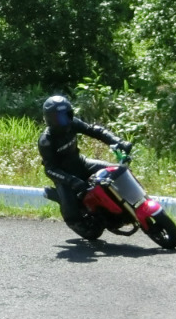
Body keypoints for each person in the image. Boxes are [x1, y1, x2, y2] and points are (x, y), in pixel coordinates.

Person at [38, 94, 132, 227]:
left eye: (67, 115)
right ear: (50, 119)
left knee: (118, 172)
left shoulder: (73, 123)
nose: (65, 120)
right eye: (60, 117)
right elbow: (50, 169)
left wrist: (118, 141)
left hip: (82, 164)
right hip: (65, 177)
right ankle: (65, 204)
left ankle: (126, 206)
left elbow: (95, 130)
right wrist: (72, 181)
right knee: (73, 216)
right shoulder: (46, 141)